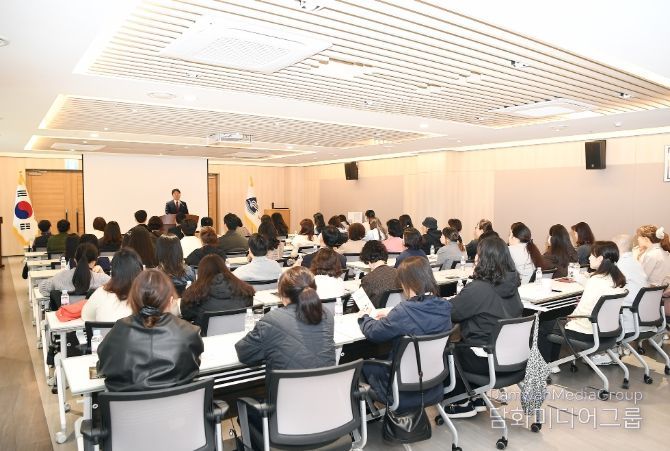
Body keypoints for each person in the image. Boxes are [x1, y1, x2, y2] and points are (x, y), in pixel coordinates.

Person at [358, 256, 453, 411]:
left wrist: (364, 317)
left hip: (400, 387)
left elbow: (373, 333)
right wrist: (392, 315)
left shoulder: (404, 311)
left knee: (361, 365)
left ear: (407, 282)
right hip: (433, 383)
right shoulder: (444, 306)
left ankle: (370, 415)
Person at [447, 237, 523, 417]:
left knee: (447, 349)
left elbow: (452, 313)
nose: (475, 257)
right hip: (513, 356)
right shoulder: (512, 285)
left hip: (487, 358)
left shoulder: (478, 289)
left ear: (484, 259)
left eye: (478, 254)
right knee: (473, 340)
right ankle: (477, 396)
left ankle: (461, 402)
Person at [97, 270, 203, 392]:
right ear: (170, 300)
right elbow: (194, 365)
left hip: (131, 404)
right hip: (177, 403)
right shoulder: (189, 332)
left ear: (133, 301)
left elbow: (103, 367)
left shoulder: (118, 331)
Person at [538, 241, 627, 363]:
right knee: (555, 321)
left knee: (544, 324)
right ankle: (553, 362)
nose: (589, 258)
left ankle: (546, 364)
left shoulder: (595, 280)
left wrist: (569, 317)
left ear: (600, 259)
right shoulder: (617, 279)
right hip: (608, 330)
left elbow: (580, 312)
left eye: (592, 255)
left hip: (587, 331)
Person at [235, 266, 335, 371]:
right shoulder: (326, 314)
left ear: (283, 294)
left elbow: (244, 354)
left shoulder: (272, 320)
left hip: (288, 382)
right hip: (328, 380)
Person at [588, 235, 649, 365]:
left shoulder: (620, 265)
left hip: (628, 316)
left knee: (599, 307)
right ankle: (612, 351)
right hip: (642, 316)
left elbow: (606, 290)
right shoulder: (635, 262)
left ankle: (609, 353)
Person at [181, 254, 255, 329]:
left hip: (205, 335)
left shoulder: (193, 294)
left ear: (201, 271)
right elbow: (249, 307)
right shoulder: (244, 289)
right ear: (224, 267)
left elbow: (186, 315)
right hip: (240, 333)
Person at [82, 248, 143, 322]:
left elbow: (86, 316)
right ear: (139, 271)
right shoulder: (145, 296)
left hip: (103, 330)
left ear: (113, 271)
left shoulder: (100, 293)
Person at [39, 243, 110, 296]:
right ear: (94, 262)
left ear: (75, 260)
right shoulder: (102, 279)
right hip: (93, 312)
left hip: (67, 311)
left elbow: (42, 288)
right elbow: (114, 289)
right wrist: (102, 273)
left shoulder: (61, 276)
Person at [360, 240, 401, 308]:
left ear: (367, 259)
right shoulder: (399, 273)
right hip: (398, 311)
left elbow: (360, 304)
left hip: (376, 313)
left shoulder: (368, 279)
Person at [634, 225, 670, 291]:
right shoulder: (664, 252)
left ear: (645, 239)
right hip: (659, 292)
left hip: (650, 292)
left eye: (638, 237)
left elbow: (641, 277)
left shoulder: (651, 254)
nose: (637, 239)